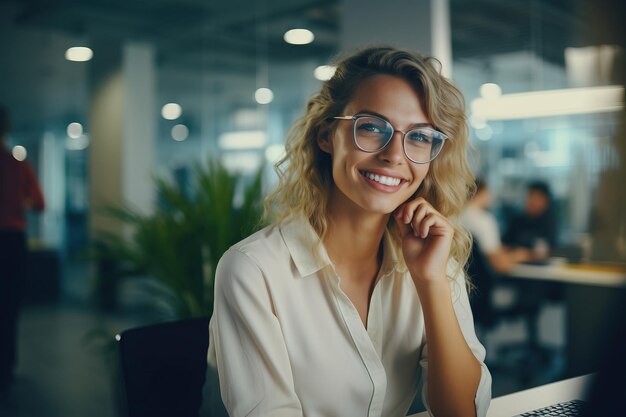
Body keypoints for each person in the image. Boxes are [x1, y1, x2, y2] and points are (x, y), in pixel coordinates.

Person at [207, 47, 491, 417]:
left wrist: (431, 282)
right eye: (372, 128)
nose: (395, 155)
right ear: (327, 135)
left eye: (420, 137)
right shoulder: (254, 270)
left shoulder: (431, 259)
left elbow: (462, 413)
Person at [0, 104, 45, 390]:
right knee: (9, 305)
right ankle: (6, 366)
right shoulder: (18, 165)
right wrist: (18, 203)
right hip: (13, 240)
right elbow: (39, 204)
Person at [463, 178, 531, 273]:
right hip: (482, 283)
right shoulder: (484, 220)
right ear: (483, 192)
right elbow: (501, 265)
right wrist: (517, 256)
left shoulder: (453, 217)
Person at [502, 181, 557, 260]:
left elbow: (551, 251)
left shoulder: (550, 223)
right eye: (530, 195)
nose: (532, 201)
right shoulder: (517, 220)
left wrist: (526, 254)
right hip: (513, 265)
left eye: (537, 197)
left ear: (546, 201)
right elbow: (504, 245)